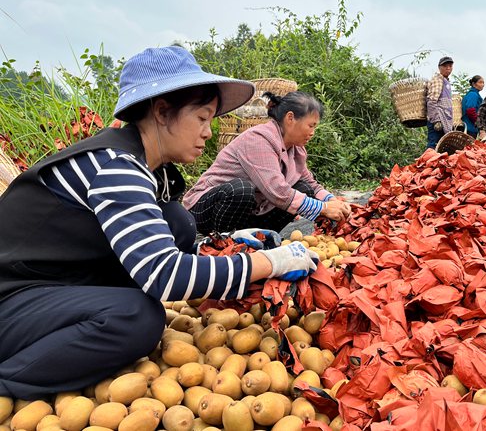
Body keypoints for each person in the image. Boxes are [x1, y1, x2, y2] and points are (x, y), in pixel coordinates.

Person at [0, 46, 319, 399]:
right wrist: (268, 262)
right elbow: (164, 275)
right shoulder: (117, 166)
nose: (209, 133)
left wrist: (222, 245)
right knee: (138, 319)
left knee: (178, 222)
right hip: (12, 298)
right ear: (163, 112)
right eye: (202, 118)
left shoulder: (149, 169)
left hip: (59, 283)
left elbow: (155, 244)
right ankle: (9, 382)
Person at [184, 91, 351, 235]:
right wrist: (322, 208)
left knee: (303, 189)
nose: (313, 133)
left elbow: (310, 183)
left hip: (244, 214)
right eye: (311, 125)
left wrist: (331, 200)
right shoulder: (258, 139)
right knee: (241, 189)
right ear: (290, 118)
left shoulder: (296, 149)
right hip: (207, 210)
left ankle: (259, 238)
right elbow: (277, 191)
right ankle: (224, 242)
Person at [425, 56, 454, 149]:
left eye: (450, 66)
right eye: (445, 66)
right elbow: (431, 101)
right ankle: (427, 163)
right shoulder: (438, 80)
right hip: (438, 121)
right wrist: (436, 120)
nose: (448, 68)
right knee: (433, 146)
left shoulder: (446, 81)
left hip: (444, 121)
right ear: (439, 67)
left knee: (441, 148)